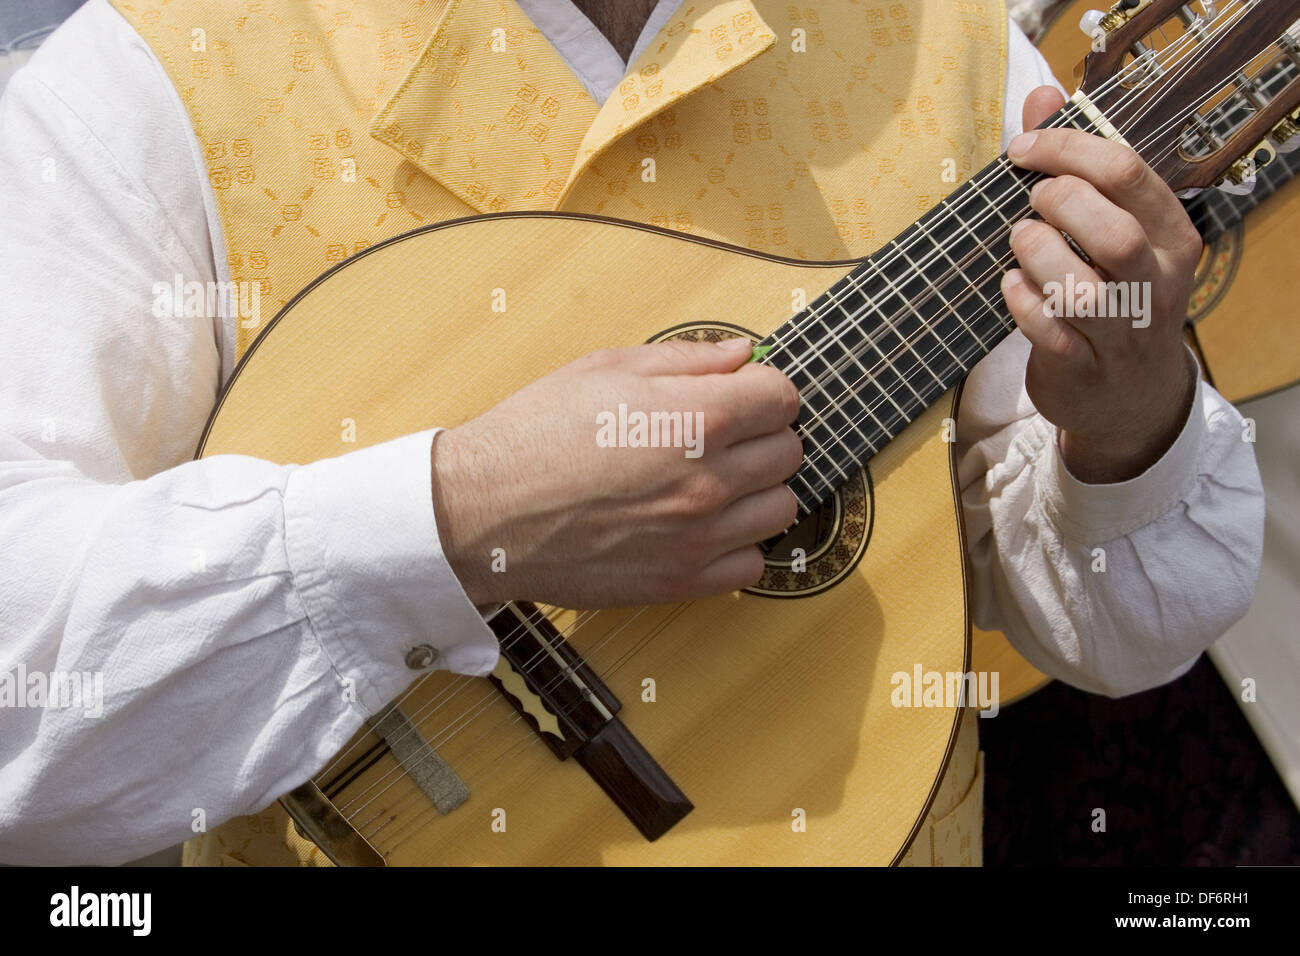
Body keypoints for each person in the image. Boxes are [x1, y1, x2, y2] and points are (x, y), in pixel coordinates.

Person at [0, 0, 1264, 865]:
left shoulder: (934, 33)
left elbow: (1111, 630)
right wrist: (463, 517)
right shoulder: (146, 84)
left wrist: (1124, 423)